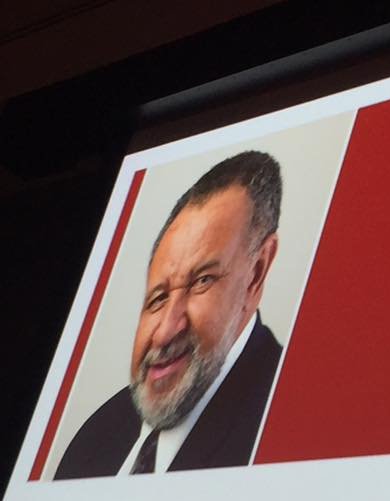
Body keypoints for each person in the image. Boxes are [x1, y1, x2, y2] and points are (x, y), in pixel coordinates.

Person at [55, 151, 284, 479]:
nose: (164, 332)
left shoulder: (288, 415)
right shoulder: (95, 437)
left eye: (202, 281)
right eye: (158, 298)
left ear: (257, 273)